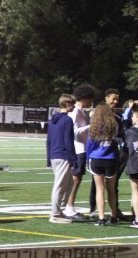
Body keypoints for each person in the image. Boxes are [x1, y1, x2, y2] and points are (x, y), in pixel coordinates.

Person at [85, 103, 122, 226]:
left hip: (96, 159)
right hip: (111, 159)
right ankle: (114, 216)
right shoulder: (114, 126)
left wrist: (87, 159)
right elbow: (117, 143)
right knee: (111, 190)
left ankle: (101, 218)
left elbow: (89, 145)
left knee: (99, 190)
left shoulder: (94, 126)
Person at [64, 83, 96, 217]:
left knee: (77, 179)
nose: (91, 102)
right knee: (75, 179)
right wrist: (91, 126)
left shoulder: (80, 111)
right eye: (90, 99)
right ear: (84, 98)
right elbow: (75, 132)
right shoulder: (76, 111)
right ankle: (69, 207)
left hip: (81, 148)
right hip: (78, 149)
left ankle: (69, 206)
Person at [47, 95, 78, 223]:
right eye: (72, 104)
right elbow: (68, 141)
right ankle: (55, 214)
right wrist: (74, 158)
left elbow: (48, 140)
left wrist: (48, 159)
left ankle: (60, 210)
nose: (74, 107)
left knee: (69, 183)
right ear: (67, 105)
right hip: (63, 155)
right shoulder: (67, 120)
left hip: (54, 155)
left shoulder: (52, 120)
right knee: (59, 186)